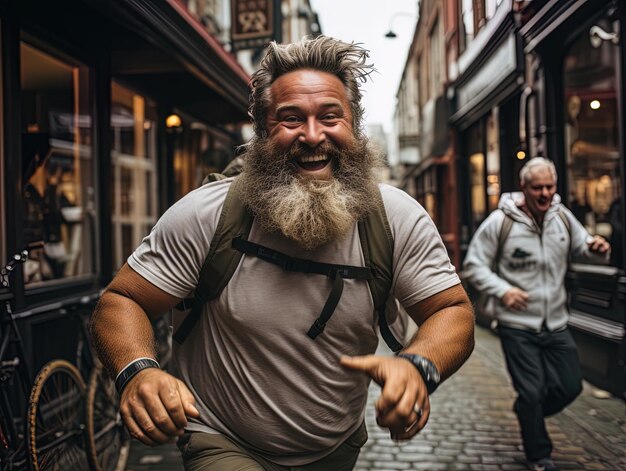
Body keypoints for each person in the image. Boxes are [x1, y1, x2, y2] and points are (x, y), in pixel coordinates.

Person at [91, 35, 474, 470]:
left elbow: (452, 309)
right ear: (262, 131)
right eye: (291, 119)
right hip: (221, 437)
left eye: (330, 117)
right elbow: (123, 299)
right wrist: (137, 371)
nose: (312, 136)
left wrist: (418, 365)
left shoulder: (397, 218)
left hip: (337, 446)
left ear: (354, 125)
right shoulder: (206, 215)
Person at [463, 157, 610, 471]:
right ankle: (539, 455)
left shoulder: (562, 217)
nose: (545, 194)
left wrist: (594, 247)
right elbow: (474, 265)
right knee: (530, 391)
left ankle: (527, 412)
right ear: (524, 188)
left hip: (555, 321)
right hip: (517, 324)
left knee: (570, 386)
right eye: (537, 187)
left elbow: (581, 244)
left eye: (550, 187)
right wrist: (504, 290)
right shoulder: (500, 222)